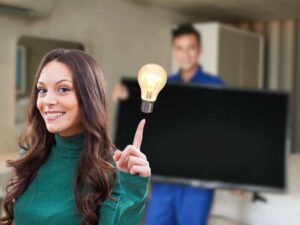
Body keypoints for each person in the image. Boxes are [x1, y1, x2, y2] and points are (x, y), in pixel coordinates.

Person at [0, 49, 151, 225]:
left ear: (89, 96)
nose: (47, 100)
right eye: (42, 90)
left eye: (63, 89)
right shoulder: (32, 155)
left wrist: (132, 187)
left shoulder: (113, 169)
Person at [113, 24, 225, 225]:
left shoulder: (215, 85)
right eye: (180, 48)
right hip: (165, 178)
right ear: (174, 50)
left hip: (197, 179)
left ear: (199, 49)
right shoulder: (161, 84)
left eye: (190, 47)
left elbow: (222, 132)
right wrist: (126, 102)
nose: (185, 54)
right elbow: (149, 122)